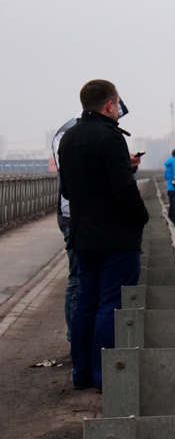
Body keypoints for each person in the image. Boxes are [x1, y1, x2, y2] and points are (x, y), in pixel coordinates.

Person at [57, 80, 148, 391]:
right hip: (115, 238)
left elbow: (67, 190)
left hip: (83, 235)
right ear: (110, 105)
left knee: (86, 302)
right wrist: (141, 217)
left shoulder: (68, 139)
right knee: (111, 305)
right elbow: (123, 190)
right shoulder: (110, 138)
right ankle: (105, 377)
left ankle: (82, 374)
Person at [51, 116, 80, 343]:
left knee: (79, 278)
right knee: (78, 278)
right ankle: (74, 338)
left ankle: (76, 337)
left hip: (73, 215)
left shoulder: (67, 133)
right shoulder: (69, 135)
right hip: (73, 216)